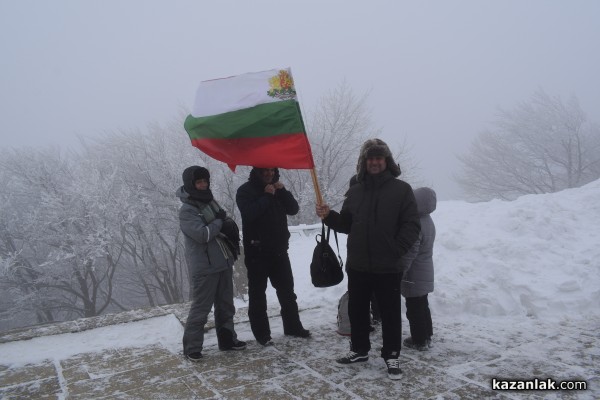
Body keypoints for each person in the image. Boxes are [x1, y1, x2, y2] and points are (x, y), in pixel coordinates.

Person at [316, 138, 420, 380]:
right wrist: (328, 216)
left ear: (386, 161)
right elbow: (346, 224)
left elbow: (412, 225)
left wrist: (395, 250)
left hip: (388, 266)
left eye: (379, 158)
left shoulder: (401, 190)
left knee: (391, 312)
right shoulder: (355, 191)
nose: (374, 162)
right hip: (359, 264)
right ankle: (359, 350)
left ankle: (392, 355)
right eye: (370, 158)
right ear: (364, 162)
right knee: (357, 310)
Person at [177, 166, 246, 362]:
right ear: (190, 184)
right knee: (201, 309)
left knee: (226, 306)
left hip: (222, 262)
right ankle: (192, 348)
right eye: (199, 182)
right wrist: (218, 221)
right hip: (205, 268)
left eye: (205, 181)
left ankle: (227, 341)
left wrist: (222, 222)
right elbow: (202, 234)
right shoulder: (187, 210)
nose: (203, 185)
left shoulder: (210, 202)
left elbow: (221, 224)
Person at [236, 167, 310, 346]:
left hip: (279, 250)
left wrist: (282, 191)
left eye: (271, 171)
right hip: (257, 252)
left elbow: (293, 209)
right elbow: (249, 214)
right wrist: (267, 196)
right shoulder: (245, 191)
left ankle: (293, 326)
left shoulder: (278, 188)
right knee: (258, 295)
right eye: (265, 171)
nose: (269, 174)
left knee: (287, 293)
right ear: (257, 172)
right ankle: (262, 334)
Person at [400, 187, 437, 351]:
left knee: (414, 308)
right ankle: (427, 334)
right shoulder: (428, 220)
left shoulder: (416, 224)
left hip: (414, 273)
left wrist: (401, 270)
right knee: (422, 305)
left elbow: (411, 251)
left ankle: (419, 340)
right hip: (425, 270)